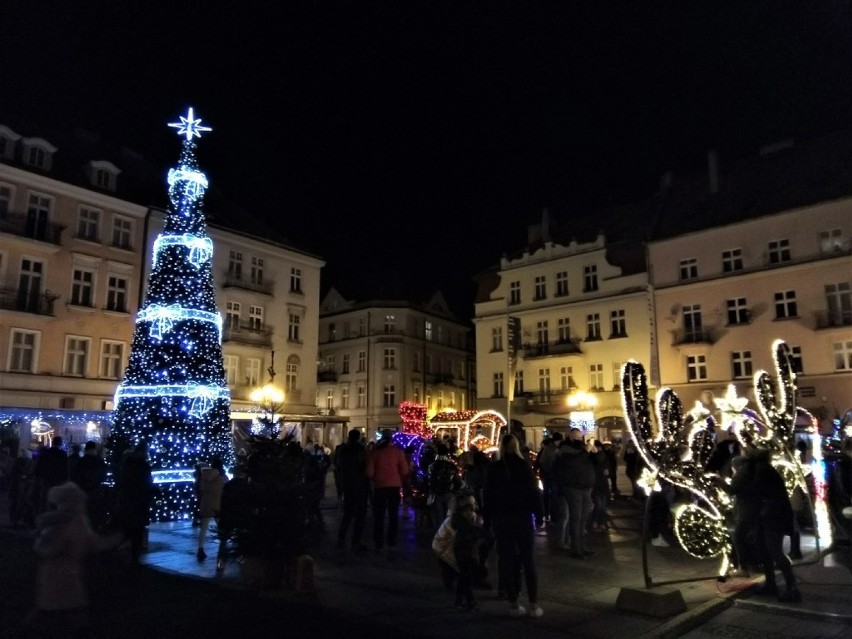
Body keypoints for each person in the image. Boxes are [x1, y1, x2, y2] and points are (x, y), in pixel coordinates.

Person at [24, 481, 121, 638]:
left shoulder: (54, 520)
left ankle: (35, 628)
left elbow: (41, 546)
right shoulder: (75, 521)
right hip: (67, 573)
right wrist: (116, 539)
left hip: (54, 573)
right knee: (72, 606)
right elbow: (92, 543)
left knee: (49, 605)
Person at [482, 433, 544, 618]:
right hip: (522, 517)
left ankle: (513, 603)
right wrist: (539, 515)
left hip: (502, 518)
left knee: (507, 559)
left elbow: (488, 496)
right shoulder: (523, 466)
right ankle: (533, 604)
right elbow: (533, 492)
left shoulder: (495, 468)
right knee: (528, 560)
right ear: (516, 446)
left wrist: (487, 520)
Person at [728, 448, 800, 602]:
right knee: (766, 551)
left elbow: (756, 490)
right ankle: (771, 584)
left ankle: (791, 587)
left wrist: (735, 484)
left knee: (774, 551)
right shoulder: (763, 469)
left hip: (772, 517)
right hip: (767, 516)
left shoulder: (762, 470)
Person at [553, 428, 600, 558]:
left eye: (581, 437)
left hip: (586, 488)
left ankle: (582, 546)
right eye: (576, 438)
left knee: (583, 520)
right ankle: (576, 549)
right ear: (570, 437)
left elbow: (598, 462)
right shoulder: (565, 450)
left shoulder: (583, 449)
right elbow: (574, 462)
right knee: (576, 519)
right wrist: (586, 450)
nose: (579, 440)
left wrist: (596, 452)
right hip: (573, 488)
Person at [366, 429, 409, 554]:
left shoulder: (375, 453)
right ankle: (392, 542)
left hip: (379, 487)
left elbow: (369, 472)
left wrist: (375, 478)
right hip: (394, 487)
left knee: (379, 516)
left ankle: (378, 542)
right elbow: (405, 471)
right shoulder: (398, 452)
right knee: (393, 515)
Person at [116, 442, 154, 565]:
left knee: (128, 527)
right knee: (138, 529)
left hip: (127, 500)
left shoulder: (127, 463)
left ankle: (124, 551)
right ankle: (134, 557)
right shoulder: (144, 465)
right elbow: (147, 483)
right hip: (140, 501)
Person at [452, 498, 490, 610]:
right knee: (466, 578)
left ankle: (459, 599)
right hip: (465, 555)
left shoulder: (468, 524)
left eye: (471, 510)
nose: (469, 513)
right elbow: (477, 534)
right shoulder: (464, 526)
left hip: (468, 555)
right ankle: (470, 601)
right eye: (466, 511)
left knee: (464, 577)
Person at [336, 428, 370, 552]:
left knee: (348, 513)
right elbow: (363, 465)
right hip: (359, 485)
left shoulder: (343, 450)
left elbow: (339, 466)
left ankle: (341, 538)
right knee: (360, 514)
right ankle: (355, 541)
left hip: (347, 484)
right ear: (358, 438)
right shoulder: (359, 450)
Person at [71, 441, 107, 530]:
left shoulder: (81, 461)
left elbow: (76, 476)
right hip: (96, 490)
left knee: (85, 511)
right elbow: (103, 475)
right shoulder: (100, 461)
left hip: (83, 490)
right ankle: (95, 527)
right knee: (95, 511)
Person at [196, 457, 227, 561]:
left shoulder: (204, 475)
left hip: (205, 503)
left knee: (203, 528)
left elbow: (201, 488)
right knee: (221, 528)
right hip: (217, 504)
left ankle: (200, 548)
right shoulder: (222, 476)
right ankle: (223, 549)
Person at [427, 443, 461, 530]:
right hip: (449, 492)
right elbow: (457, 480)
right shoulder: (451, 466)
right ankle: (448, 533)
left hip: (437, 493)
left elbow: (430, 480)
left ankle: (440, 533)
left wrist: (431, 491)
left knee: (439, 516)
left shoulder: (432, 466)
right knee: (449, 516)